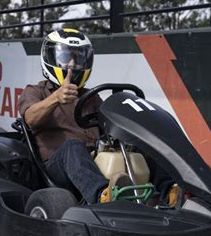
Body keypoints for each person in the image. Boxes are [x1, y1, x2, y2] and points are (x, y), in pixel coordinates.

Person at [18, 29, 129, 204]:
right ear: (51, 58)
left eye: (77, 58)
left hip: (91, 161)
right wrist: (56, 98)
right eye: (65, 57)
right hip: (56, 166)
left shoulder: (90, 96)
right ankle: (102, 196)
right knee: (72, 146)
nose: (71, 63)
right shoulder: (35, 91)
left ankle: (170, 190)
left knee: (137, 141)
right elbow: (30, 118)